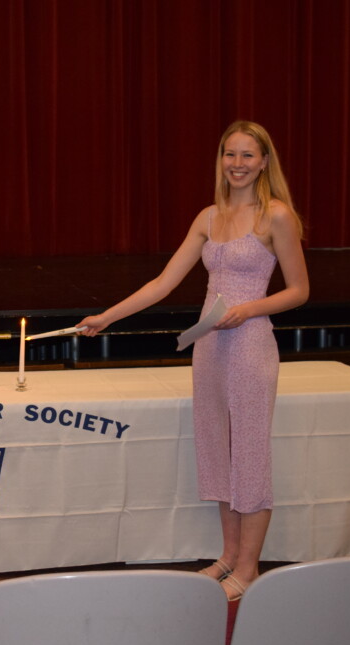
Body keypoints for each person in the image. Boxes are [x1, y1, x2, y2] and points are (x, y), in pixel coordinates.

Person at [77, 120, 309, 601]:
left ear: (265, 162)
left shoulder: (277, 216)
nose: (238, 164)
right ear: (220, 160)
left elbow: (299, 291)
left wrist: (249, 308)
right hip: (209, 347)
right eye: (230, 154)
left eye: (248, 155)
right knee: (217, 451)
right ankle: (227, 556)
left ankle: (249, 568)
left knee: (248, 456)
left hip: (250, 344)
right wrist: (106, 317)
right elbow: (162, 284)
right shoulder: (208, 217)